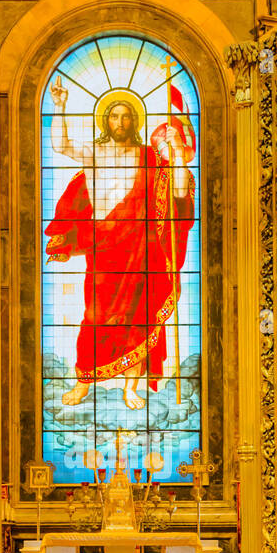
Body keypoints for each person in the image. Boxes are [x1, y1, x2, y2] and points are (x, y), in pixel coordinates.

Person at [46, 77, 195, 411]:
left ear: (135, 122)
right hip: (104, 248)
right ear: (105, 121)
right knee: (95, 316)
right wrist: (59, 105)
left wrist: (180, 157)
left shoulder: (150, 158)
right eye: (114, 116)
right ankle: (84, 382)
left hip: (140, 252)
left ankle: (131, 386)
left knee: (137, 318)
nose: (120, 122)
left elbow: (180, 195)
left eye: (127, 116)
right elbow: (61, 145)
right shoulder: (95, 153)